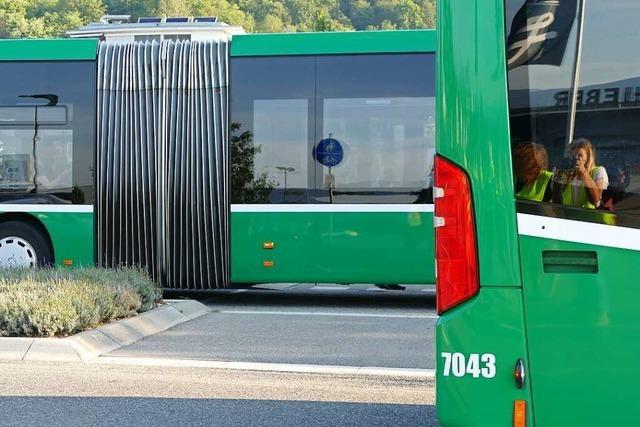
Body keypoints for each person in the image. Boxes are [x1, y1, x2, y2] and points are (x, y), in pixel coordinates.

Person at [553, 138, 608, 209]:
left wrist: (583, 171)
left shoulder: (599, 171)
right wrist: (558, 175)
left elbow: (595, 200)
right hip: (567, 216)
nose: (576, 158)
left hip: (588, 218)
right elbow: (556, 202)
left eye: (580, 155)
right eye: (573, 156)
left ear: (588, 157)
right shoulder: (567, 173)